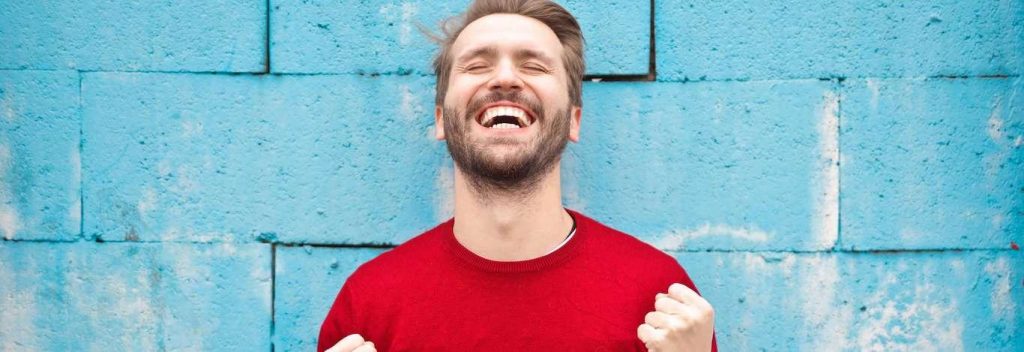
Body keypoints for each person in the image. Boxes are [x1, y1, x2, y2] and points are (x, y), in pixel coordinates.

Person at [318, 0, 717, 351]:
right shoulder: (369, 305)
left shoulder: (660, 299)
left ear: (572, 122)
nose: (505, 78)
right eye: (477, 65)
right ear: (441, 119)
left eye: (533, 65)